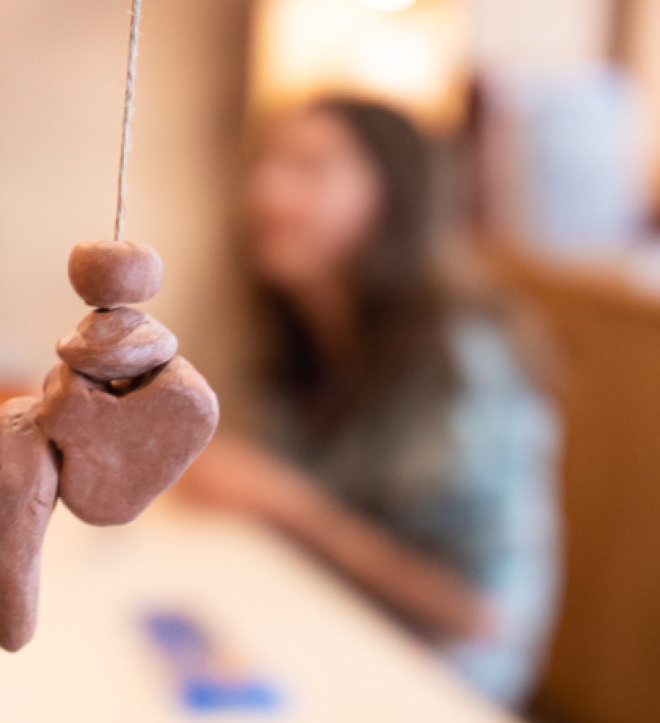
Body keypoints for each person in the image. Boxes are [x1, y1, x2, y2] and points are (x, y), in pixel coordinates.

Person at [178, 99, 561, 705]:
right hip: (312, 613)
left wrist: (287, 505)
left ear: (394, 197)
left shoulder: (464, 367)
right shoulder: (289, 330)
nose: (265, 192)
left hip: (434, 674)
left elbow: (483, 616)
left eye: (310, 169)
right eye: (269, 164)